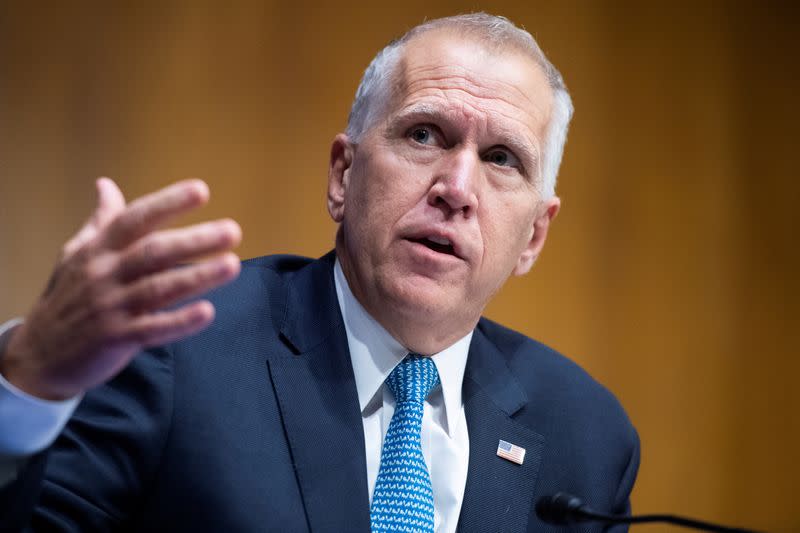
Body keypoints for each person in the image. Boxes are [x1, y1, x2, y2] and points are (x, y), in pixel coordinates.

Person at [0, 13, 639, 532]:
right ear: (343, 175)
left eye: (502, 158)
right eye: (424, 135)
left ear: (534, 235)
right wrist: (29, 384)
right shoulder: (176, 349)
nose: (457, 187)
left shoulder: (585, 438)